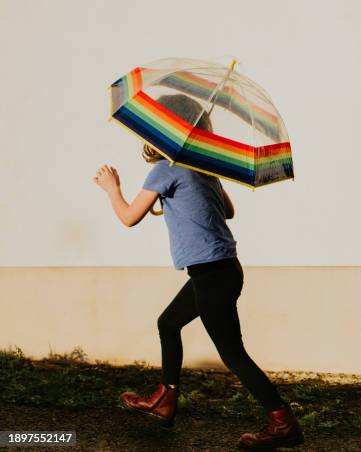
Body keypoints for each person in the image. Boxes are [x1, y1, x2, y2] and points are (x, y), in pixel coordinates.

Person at [93, 94, 303, 449]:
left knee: (233, 355)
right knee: (168, 323)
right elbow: (229, 212)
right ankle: (165, 399)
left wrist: (112, 189)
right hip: (221, 270)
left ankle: (282, 421)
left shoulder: (164, 170)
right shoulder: (204, 168)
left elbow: (129, 217)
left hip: (210, 274)